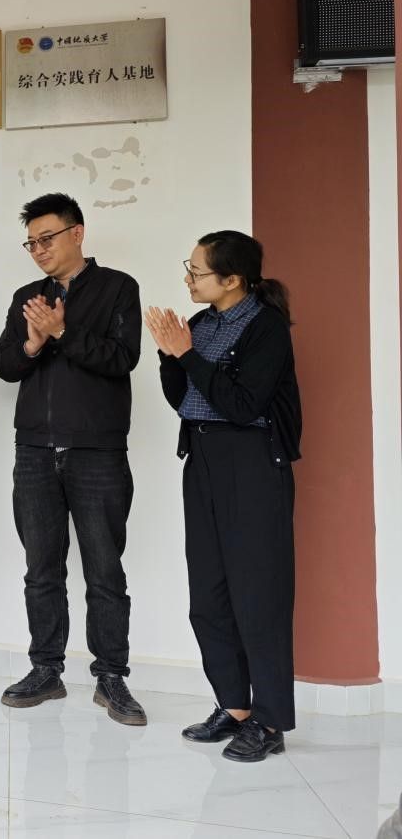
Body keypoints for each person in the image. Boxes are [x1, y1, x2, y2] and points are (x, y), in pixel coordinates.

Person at [145, 230, 301, 762]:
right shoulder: (200, 324)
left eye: (198, 272)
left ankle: (270, 721)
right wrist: (170, 355)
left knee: (259, 595)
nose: (189, 279)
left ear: (233, 279)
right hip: (203, 459)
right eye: (188, 269)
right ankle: (234, 707)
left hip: (253, 463)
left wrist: (186, 355)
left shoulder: (265, 327)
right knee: (208, 594)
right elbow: (182, 399)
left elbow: (241, 404)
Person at [0, 192, 146, 725]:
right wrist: (33, 344)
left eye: (47, 239)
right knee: (41, 569)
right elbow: (5, 365)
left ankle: (112, 677)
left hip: (97, 451)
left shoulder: (118, 288)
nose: (39, 250)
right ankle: (46, 670)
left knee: (105, 570)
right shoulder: (26, 297)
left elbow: (122, 358)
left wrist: (63, 333)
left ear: (77, 233)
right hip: (34, 449)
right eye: (31, 242)